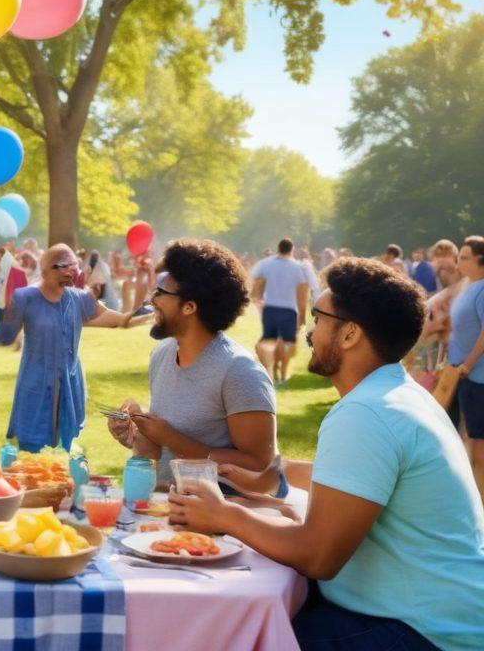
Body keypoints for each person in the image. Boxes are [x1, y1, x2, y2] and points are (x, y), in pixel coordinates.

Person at [169, 258, 484, 651]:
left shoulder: (366, 413)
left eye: (318, 317)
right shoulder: (397, 395)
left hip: (420, 631)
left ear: (350, 334)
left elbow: (318, 556)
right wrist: (277, 476)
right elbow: (366, 477)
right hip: (440, 617)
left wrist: (223, 514)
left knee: (230, 635)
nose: (309, 330)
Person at [107, 240, 276, 487]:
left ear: (189, 307)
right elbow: (158, 452)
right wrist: (135, 432)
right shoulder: (163, 353)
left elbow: (262, 469)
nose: (152, 299)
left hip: (221, 519)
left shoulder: (240, 372)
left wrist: (173, 438)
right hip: (166, 508)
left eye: (161, 293)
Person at [0, 243, 144, 452]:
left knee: (66, 446)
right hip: (36, 382)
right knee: (32, 447)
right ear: (45, 271)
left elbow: (107, 316)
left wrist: (129, 317)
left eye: (71, 265)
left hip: (69, 381)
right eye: (60, 266)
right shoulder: (25, 297)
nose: (68, 271)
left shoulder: (79, 298)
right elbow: (5, 334)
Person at [449, 236, 484, 498]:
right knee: (465, 440)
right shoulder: (469, 286)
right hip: (463, 375)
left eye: (464, 257)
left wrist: (468, 363)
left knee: (478, 448)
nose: (458, 261)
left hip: (477, 377)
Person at [250, 237, 311, 385]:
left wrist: (258, 302)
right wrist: (302, 314)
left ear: (278, 248)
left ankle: (268, 372)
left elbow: (256, 285)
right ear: (292, 250)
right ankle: (282, 375)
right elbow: (302, 292)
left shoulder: (266, 264)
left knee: (268, 341)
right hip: (289, 309)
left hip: (270, 307)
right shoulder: (297, 267)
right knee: (286, 344)